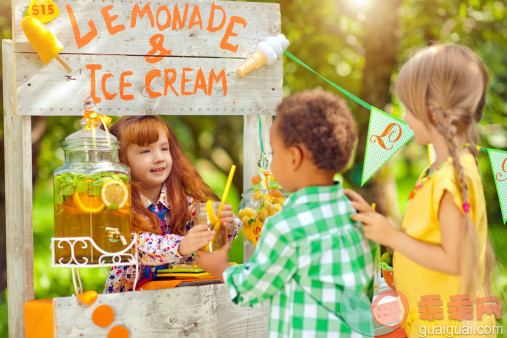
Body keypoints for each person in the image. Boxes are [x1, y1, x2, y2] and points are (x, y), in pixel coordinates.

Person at [345, 44, 497, 336]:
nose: (403, 116)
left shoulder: (452, 177)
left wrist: (390, 236)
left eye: (407, 106)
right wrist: (382, 228)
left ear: (431, 112)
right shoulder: (435, 171)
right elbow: (425, 241)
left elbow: (453, 260)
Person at [197, 89, 375, 337]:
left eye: (274, 152)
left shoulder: (286, 226)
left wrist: (221, 268)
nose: (271, 163)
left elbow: (254, 286)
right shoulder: (357, 213)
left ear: (294, 157)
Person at [104, 116, 241, 293]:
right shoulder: (120, 206)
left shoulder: (181, 202)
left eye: (164, 148)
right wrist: (181, 245)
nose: (159, 158)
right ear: (121, 160)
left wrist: (226, 225)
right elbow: (137, 247)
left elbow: (206, 237)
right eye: (145, 151)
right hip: (130, 301)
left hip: (177, 299)